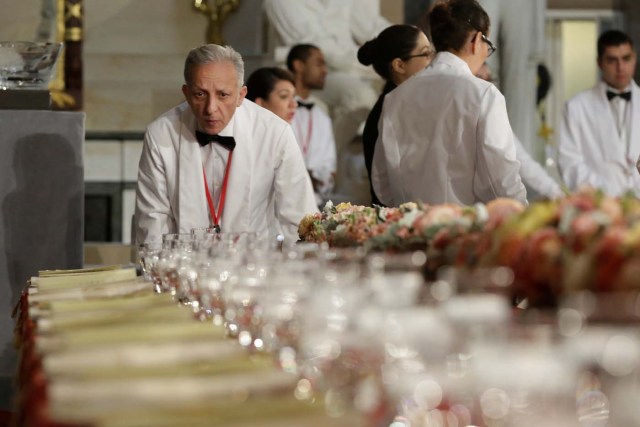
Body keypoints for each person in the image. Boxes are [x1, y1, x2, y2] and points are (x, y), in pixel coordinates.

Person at [134, 44, 318, 245]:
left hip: (255, 268)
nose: (211, 109)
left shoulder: (275, 132)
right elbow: (152, 222)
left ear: (241, 95)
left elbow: (299, 219)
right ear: (186, 93)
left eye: (223, 95)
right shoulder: (161, 134)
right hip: (186, 267)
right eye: (200, 94)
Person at [372, 0, 527, 207]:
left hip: (408, 227)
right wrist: (521, 213)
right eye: (487, 45)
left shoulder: (394, 98)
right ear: (476, 40)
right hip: (464, 227)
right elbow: (499, 175)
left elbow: (382, 181)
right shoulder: (483, 94)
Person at [358, 24, 433, 206]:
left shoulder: (411, 103)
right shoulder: (387, 113)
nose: (433, 61)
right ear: (399, 65)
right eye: (425, 54)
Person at [559, 30, 640, 197]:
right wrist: (609, 196)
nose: (620, 67)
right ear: (599, 62)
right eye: (612, 60)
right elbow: (570, 165)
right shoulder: (576, 107)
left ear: (635, 58)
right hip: (599, 206)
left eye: (626, 58)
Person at [476, 63, 563, 200]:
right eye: (479, 79)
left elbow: (521, 160)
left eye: (489, 81)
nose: (487, 87)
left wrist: (558, 194)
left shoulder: (492, 115)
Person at [286, 44, 337, 206]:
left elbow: (330, 167)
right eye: (319, 64)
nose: (325, 71)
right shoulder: (279, 110)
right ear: (299, 65)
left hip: (314, 203)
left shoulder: (322, 116)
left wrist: (318, 178)